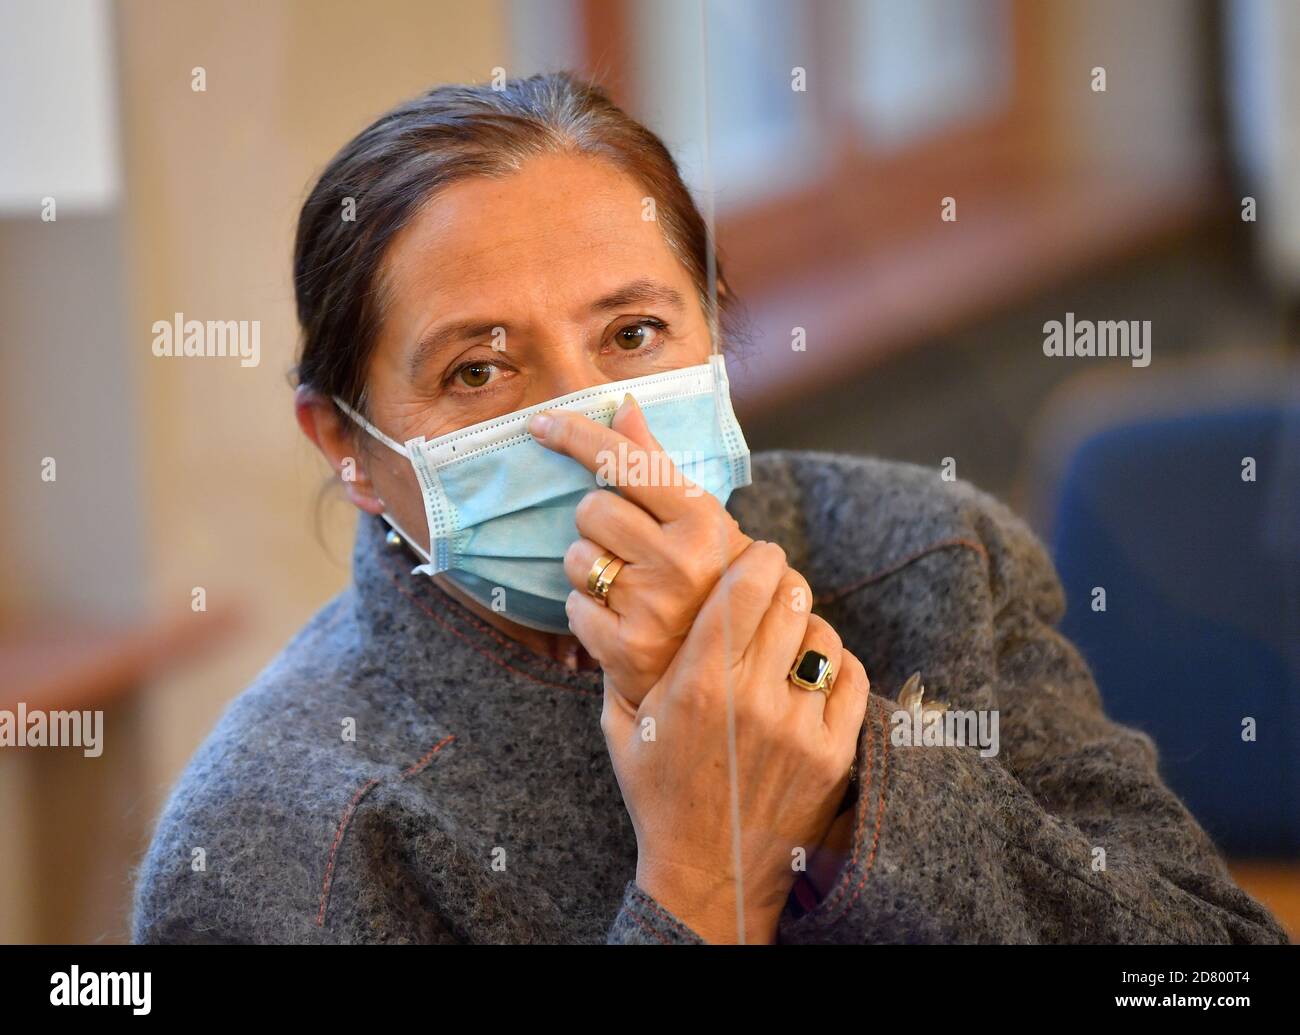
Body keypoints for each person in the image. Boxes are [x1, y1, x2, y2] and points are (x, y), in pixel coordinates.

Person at [131, 71, 1289, 945]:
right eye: (478, 370)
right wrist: (700, 882)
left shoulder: (935, 558)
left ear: (714, 335)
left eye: (634, 335)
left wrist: (842, 784)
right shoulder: (266, 841)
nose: (597, 429)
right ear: (345, 444)